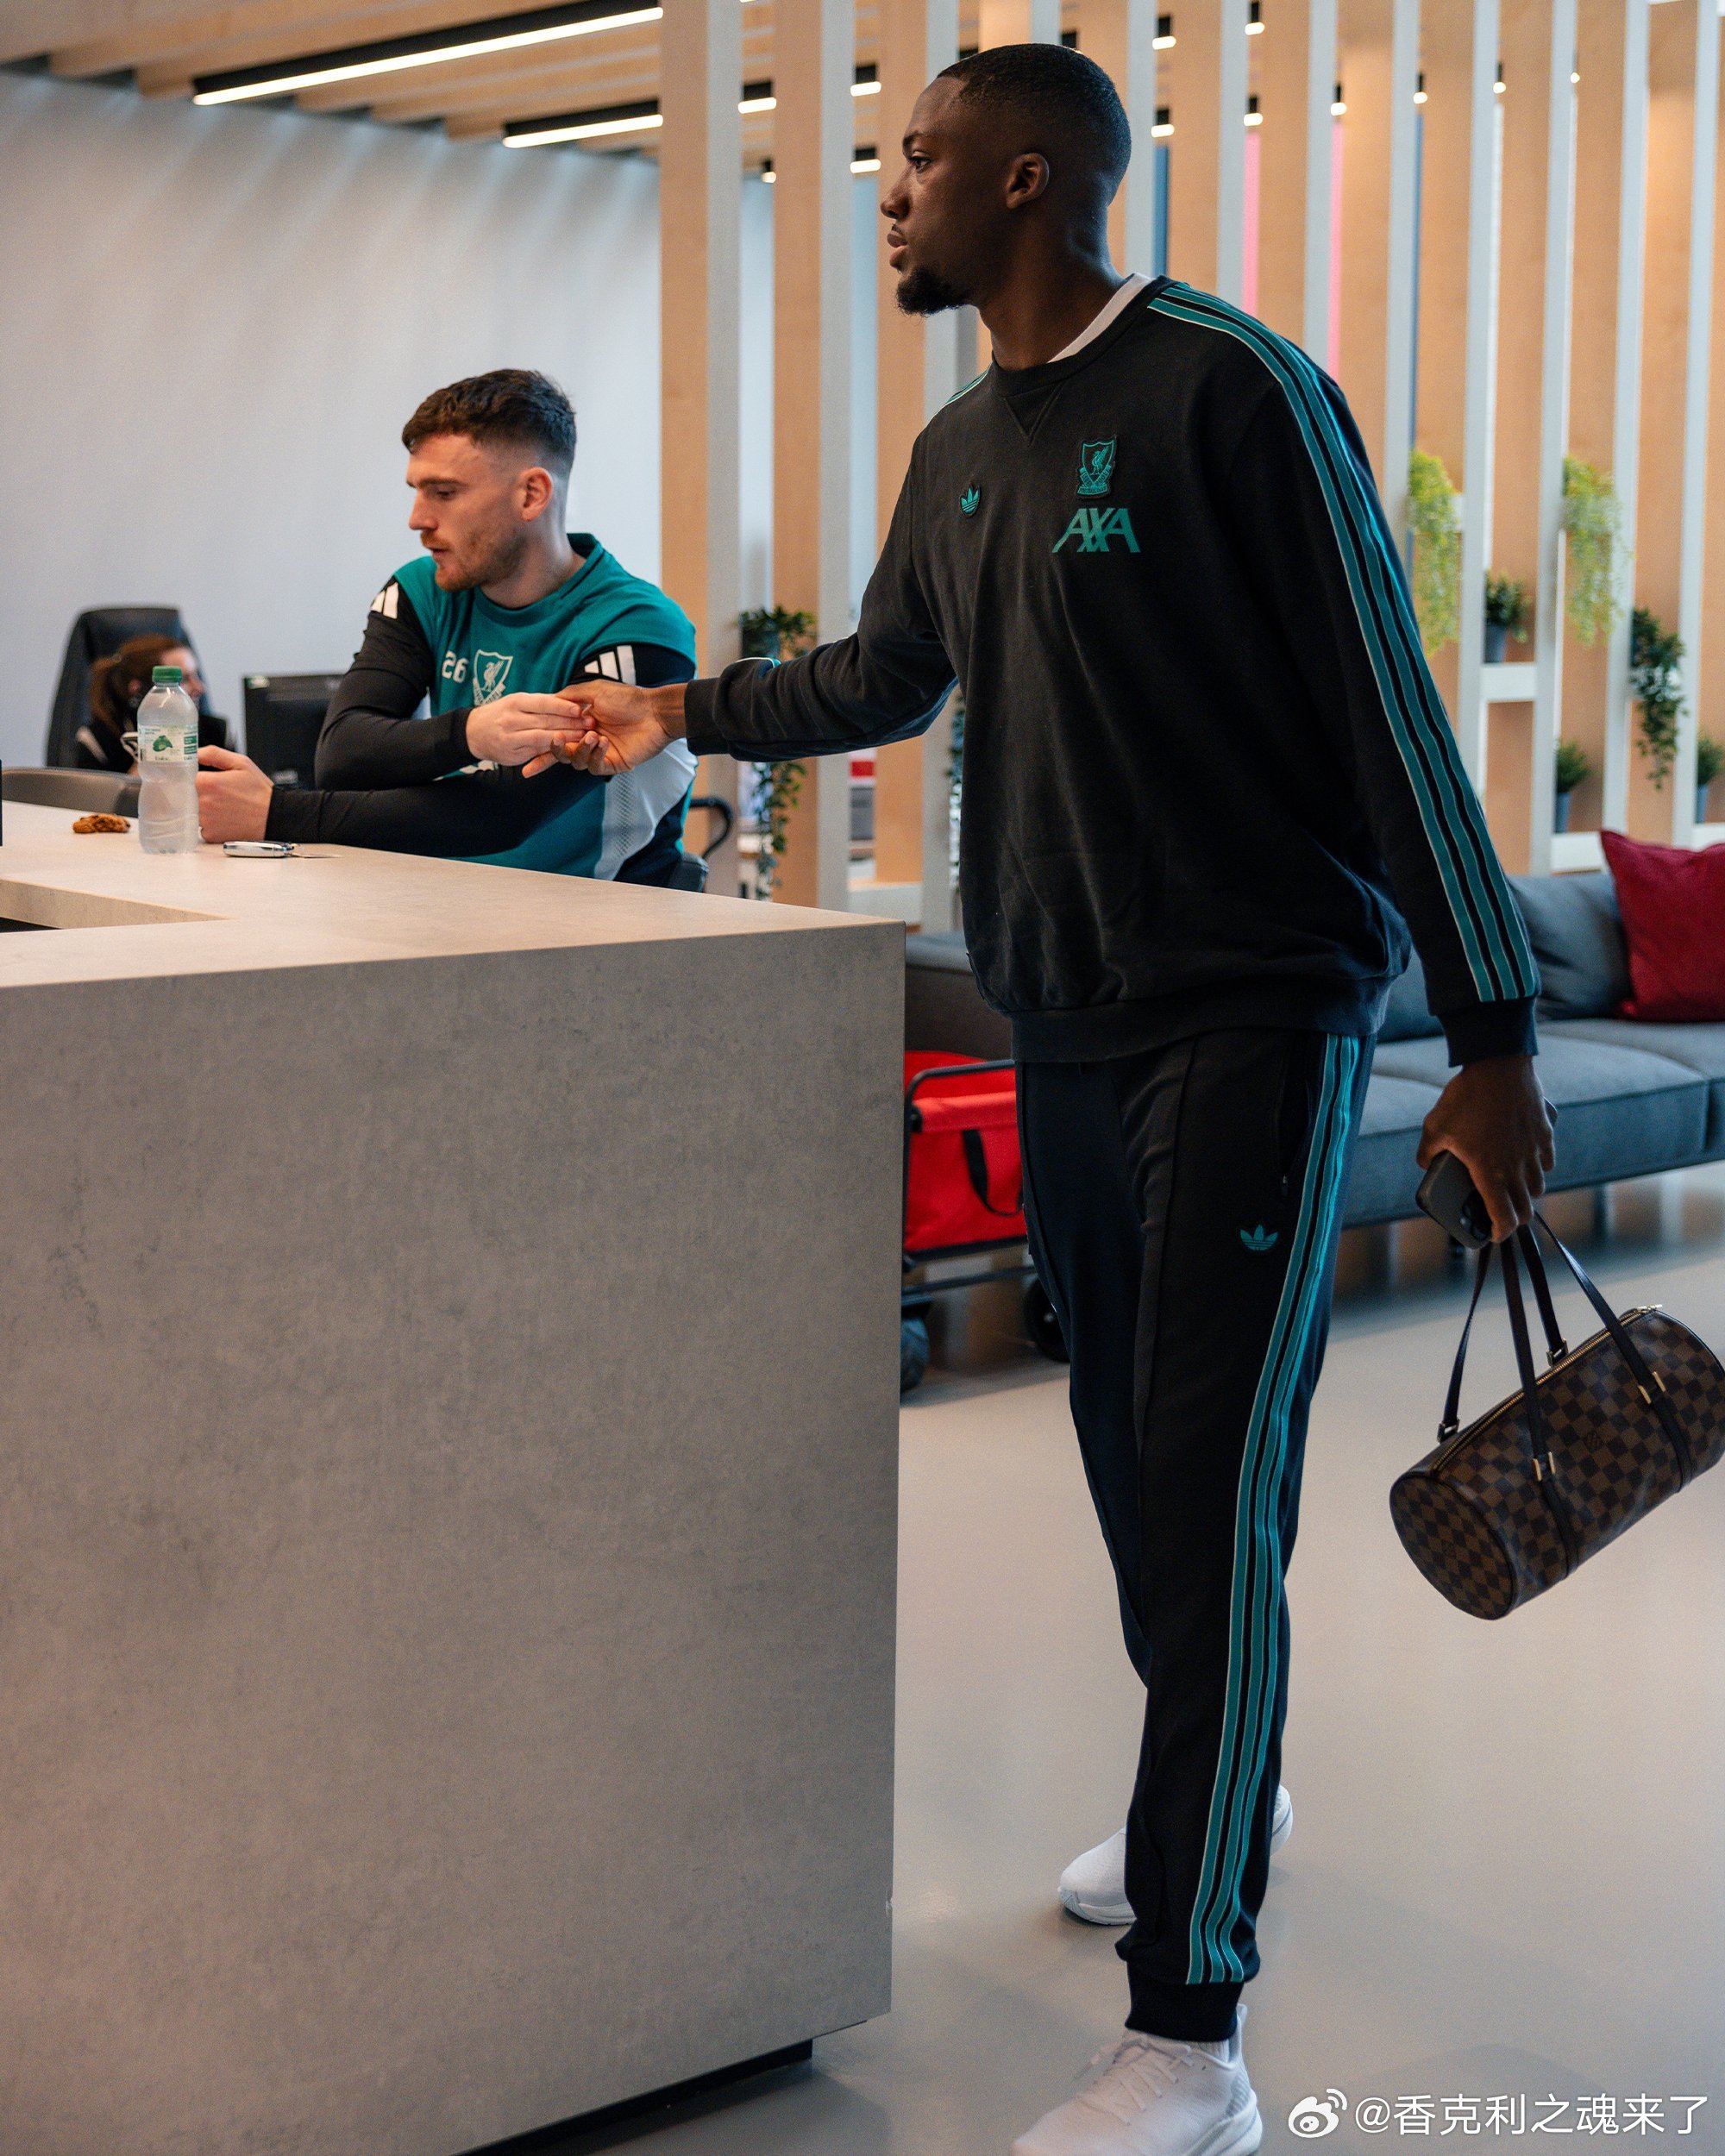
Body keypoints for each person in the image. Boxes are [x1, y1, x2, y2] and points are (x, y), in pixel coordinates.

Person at [545, 42, 1556, 2156]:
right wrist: (675, 708)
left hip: (1253, 1020)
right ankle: (1223, 1784)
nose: (887, 189)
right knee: (1128, 1468)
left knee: (1203, 1493)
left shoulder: (1229, 389)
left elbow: (1386, 703)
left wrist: (1489, 1037)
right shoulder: (959, 447)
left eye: (913, 155)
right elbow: (880, 675)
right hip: (1067, 1027)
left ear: (1024, 179)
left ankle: (1190, 2040)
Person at [196, 370, 699, 883]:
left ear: (531, 495)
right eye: (417, 491)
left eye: (444, 492)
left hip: (602, 915)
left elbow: (507, 814)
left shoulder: (636, 625)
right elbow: (343, 756)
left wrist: (279, 815)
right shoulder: (424, 590)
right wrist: (473, 732)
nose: (417, 519)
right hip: (451, 901)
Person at [78, 634, 211, 774]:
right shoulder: (97, 741)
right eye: (183, 679)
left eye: (196, 674)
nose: (200, 688)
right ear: (139, 690)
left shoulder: (216, 732)